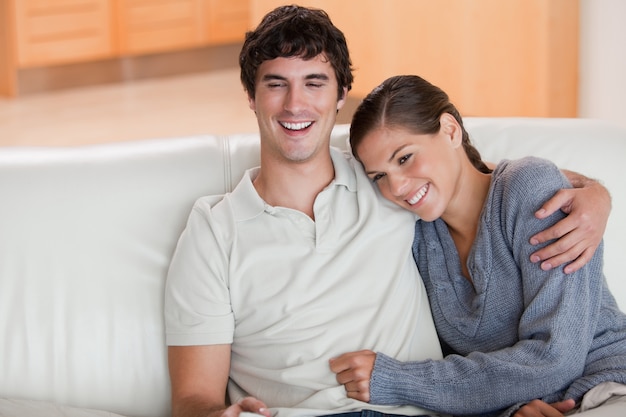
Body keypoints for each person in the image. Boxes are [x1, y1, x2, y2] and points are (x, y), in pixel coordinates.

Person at [164, 6, 612, 417]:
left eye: (314, 83)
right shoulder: (215, 230)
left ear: (341, 95)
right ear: (251, 95)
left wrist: (593, 192)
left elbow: (472, 176)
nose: (294, 104)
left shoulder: (381, 186)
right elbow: (192, 398)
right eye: (275, 83)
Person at [330, 74, 626, 417]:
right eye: (379, 176)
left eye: (405, 158)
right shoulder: (417, 235)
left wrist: (399, 379)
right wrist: (513, 409)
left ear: (450, 130)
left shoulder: (527, 189)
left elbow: (555, 357)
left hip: (606, 388)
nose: (396, 187)